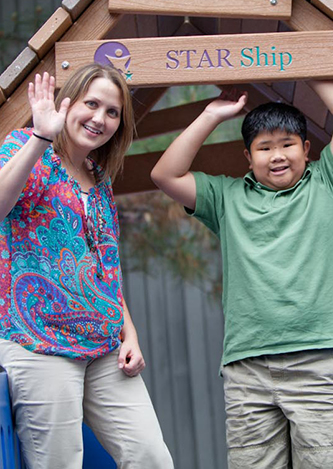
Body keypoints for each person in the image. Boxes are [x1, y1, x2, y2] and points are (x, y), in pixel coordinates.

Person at [151, 80, 333, 468]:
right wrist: (210, 115)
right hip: (249, 367)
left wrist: (308, 63)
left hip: (318, 361)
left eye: (287, 144)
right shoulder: (227, 197)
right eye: (264, 148)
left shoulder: (327, 183)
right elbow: (165, 175)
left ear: (306, 150)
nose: (277, 156)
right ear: (248, 157)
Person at [0, 64, 174, 469]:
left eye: (112, 112)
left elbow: (105, 271)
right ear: (68, 103)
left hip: (104, 347)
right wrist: (42, 137)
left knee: (151, 457)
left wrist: (130, 333)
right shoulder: (25, 146)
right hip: (40, 343)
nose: (100, 118)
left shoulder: (99, 177)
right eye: (91, 104)